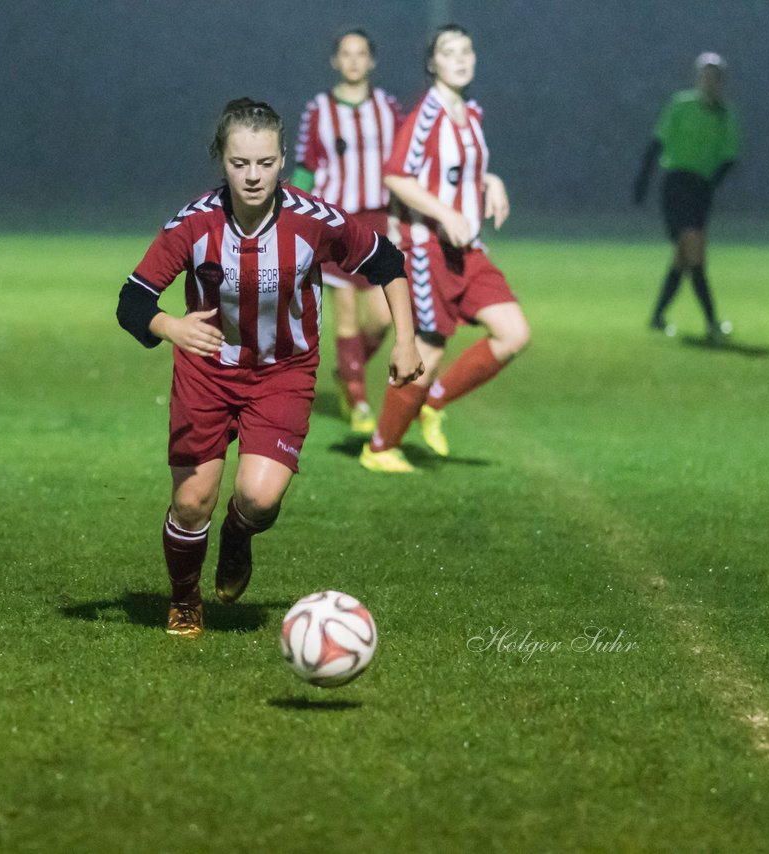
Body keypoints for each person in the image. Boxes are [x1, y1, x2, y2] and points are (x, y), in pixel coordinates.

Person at [116, 98, 423, 637]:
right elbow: (132, 301)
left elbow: (388, 262)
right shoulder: (194, 224)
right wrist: (172, 327)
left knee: (257, 498)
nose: (253, 176)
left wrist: (407, 341)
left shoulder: (313, 221)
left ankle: (238, 534)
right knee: (191, 502)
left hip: (282, 372)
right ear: (223, 161)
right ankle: (185, 599)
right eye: (240, 164)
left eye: (264, 163)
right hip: (207, 372)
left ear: (282, 159)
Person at [360, 24, 530, 473]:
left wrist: (491, 183)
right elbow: (396, 176)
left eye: (466, 50)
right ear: (432, 64)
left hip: (468, 249)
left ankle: (432, 402)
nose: (460, 58)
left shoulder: (468, 112)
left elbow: (461, 171)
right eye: (448, 52)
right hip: (426, 248)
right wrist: (445, 213)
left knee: (513, 333)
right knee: (427, 350)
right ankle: (379, 448)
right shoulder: (427, 116)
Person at [292, 29, 401, 435]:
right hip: (335, 221)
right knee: (348, 316)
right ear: (335, 61)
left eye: (361, 54)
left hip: (378, 223)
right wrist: (288, 211)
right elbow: (306, 164)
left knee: (385, 316)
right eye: (345, 54)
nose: (353, 61)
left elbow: (405, 162)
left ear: (371, 61)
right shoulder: (319, 109)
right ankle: (357, 401)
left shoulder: (389, 108)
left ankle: (346, 371)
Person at [634, 52, 739, 339]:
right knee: (695, 254)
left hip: (700, 189)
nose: (709, 81)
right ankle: (712, 323)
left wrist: (711, 184)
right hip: (677, 185)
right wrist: (643, 181)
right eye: (705, 75)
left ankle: (657, 316)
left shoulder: (724, 113)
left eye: (714, 76)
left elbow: (730, 156)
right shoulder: (681, 105)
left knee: (683, 256)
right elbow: (657, 142)